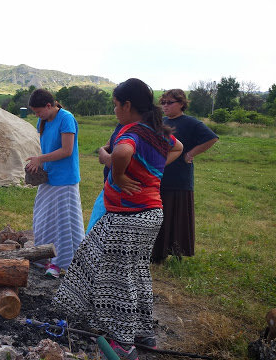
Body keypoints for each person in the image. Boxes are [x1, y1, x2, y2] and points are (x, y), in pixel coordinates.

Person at [53, 78, 183, 358]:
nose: (114, 111)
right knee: (136, 273)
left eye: (115, 105)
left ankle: (124, 345)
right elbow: (178, 148)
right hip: (151, 214)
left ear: (127, 105)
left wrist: (117, 171)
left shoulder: (131, 132)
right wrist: (151, 171)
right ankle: (144, 334)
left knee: (117, 281)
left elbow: (122, 151)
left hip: (127, 217)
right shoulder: (158, 131)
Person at [151, 89, 218, 263]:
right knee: (159, 214)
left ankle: (177, 252)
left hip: (180, 177)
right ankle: (157, 252)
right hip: (160, 174)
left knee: (176, 215)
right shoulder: (161, 121)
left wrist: (190, 153)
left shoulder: (191, 123)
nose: (165, 106)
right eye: (163, 102)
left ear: (181, 104)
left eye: (169, 102)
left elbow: (211, 138)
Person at [25, 89, 84, 278]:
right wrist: (38, 163)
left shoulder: (66, 118)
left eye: (38, 111)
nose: (37, 115)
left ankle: (61, 264)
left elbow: (67, 150)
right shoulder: (42, 121)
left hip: (65, 179)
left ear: (49, 106)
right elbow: (46, 146)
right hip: (48, 177)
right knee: (42, 219)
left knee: (63, 223)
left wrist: (40, 159)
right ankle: (44, 256)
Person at [85, 122, 123, 234]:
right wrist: (103, 149)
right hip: (109, 185)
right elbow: (110, 144)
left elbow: (116, 162)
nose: (115, 110)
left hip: (119, 193)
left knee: (96, 233)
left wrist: (103, 152)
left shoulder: (137, 130)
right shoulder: (121, 125)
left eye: (117, 106)